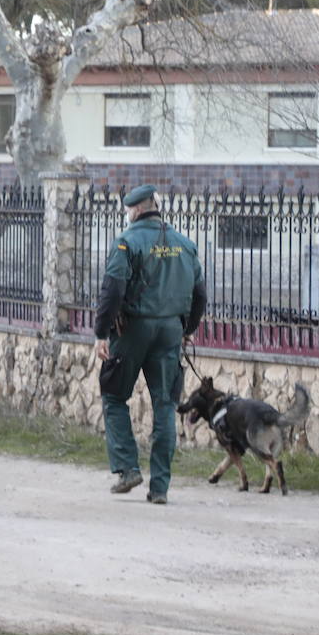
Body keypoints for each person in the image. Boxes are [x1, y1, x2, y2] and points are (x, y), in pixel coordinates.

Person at [94, 184, 206, 505]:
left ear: (137, 210)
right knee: (165, 405)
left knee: (114, 396)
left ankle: (128, 468)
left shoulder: (127, 242)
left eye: (129, 210)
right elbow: (200, 295)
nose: (128, 215)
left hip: (132, 331)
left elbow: (112, 290)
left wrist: (102, 333)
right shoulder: (185, 244)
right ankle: (160, 488)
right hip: (171, 331)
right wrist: (188, 329)